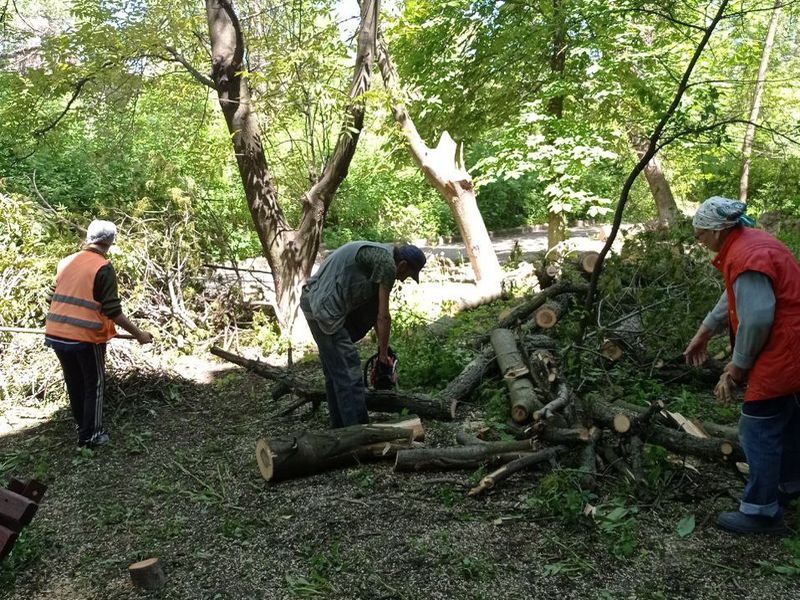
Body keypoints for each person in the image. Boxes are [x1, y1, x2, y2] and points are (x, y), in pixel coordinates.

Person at [684, 196, 800, 535]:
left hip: (785, 347)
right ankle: (790, 484)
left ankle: (761, 513)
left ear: (718, 231)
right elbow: (733, 296)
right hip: (790, 344)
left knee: (757, 429)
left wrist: (737, 367)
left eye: (700, 234)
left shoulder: (747, 254)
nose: (698, 240)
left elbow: (758, 317)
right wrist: (704, 332)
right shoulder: (749, 244)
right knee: (789, 418)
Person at [45, 220, 153, 448]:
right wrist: (139, 334)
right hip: (85, 337)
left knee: (74, 381)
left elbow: (50, 297)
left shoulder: (66, 261)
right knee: (93, 384)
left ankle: (82, 427)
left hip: (56, 334)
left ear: (90, 238)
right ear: (110, 241)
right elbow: (112, 310)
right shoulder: (102, 267)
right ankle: (92, 435)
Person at [300, 241, 426, 428]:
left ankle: (341, 431)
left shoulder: (381, 255)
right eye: (407, 275)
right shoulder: (386, 265)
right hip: (324, 309)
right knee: (349, 373)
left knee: (335, 373)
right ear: (403, 265)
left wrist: (383, 351)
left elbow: (375, 312)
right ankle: (360, 434)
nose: (403, 279)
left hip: (313, 300)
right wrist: (382, 356)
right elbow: (383, 317)